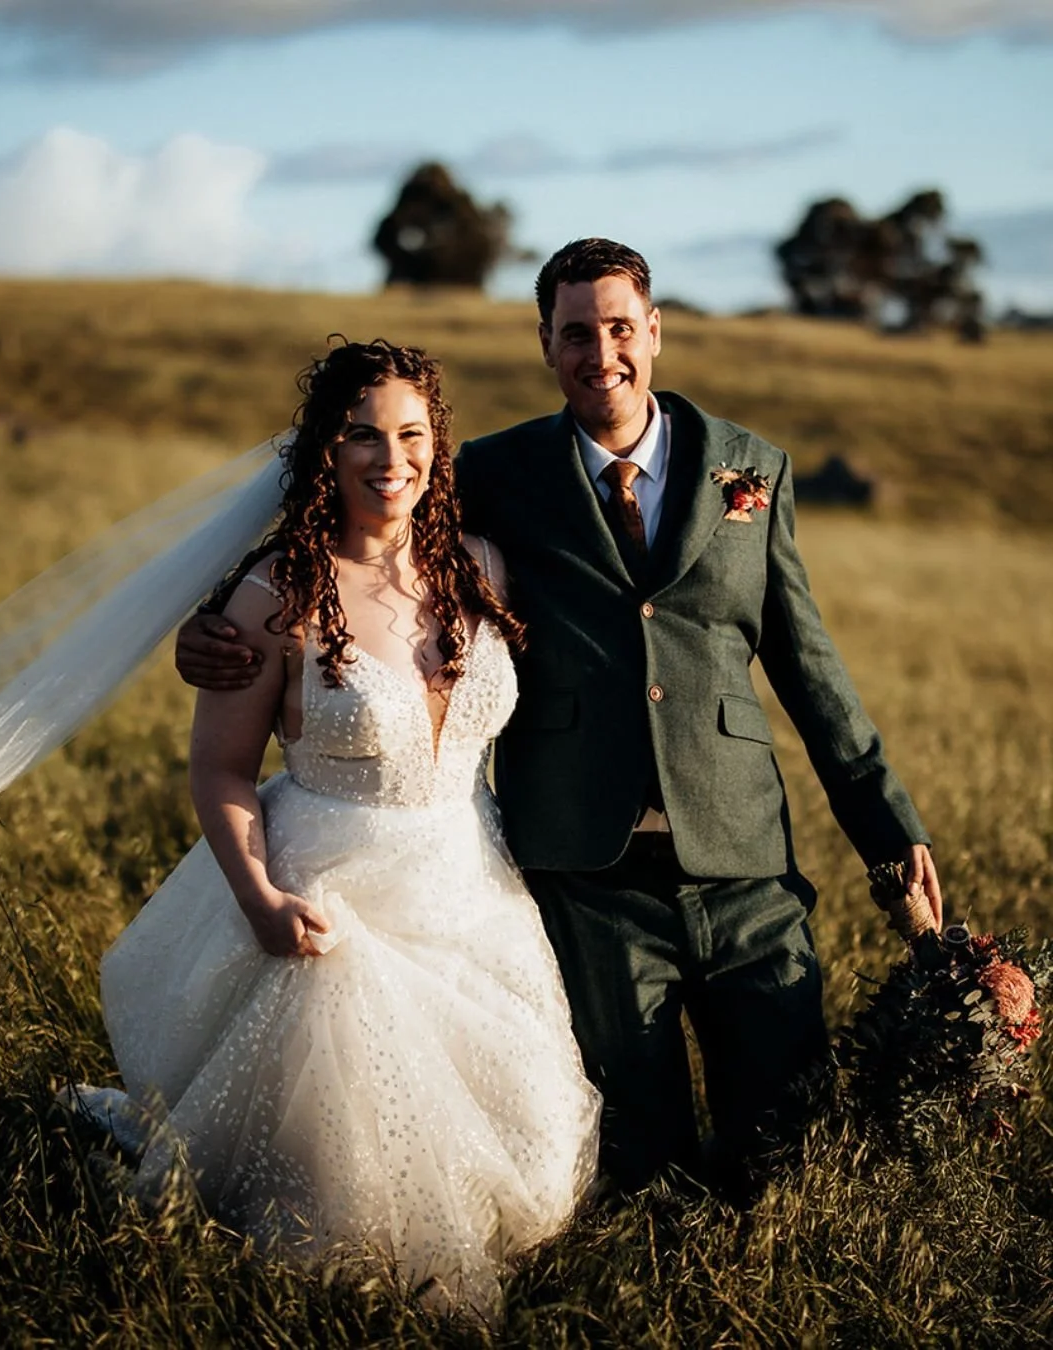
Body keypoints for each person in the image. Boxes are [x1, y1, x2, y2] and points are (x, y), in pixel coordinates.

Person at [177, 240, 942, 1198]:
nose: (602, 352)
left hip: (745, 859)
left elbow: (810, 669)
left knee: (788, 1151)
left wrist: (889, 830)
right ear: (545, 342)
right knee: (637, 1169)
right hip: (588, 871)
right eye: (576, 332)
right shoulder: (497, 477)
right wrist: (213, 629)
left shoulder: (752, 469)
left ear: (655, 332)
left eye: (621, 328)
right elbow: (351, 538)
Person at [75, 339, 600, 1309]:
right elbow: (222, 768)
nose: (388, 457)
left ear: (438, 447)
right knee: (349, 1162)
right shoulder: (278, 595)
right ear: (326, 451)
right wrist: (263, 897)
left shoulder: (481, 566)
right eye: (362, 435)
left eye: (409, 433)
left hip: (474, 878)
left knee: (512, 1122)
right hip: (333, 879)